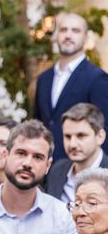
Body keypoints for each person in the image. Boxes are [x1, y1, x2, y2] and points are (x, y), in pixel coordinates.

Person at [34, 12, 108, 161]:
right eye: (63, 30)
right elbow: (37, 122)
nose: (68, 35)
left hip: (78, 170)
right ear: (56, 35)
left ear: (86, 37)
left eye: (75, 30)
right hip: (43, 167)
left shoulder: (97, 78)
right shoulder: (43, 79)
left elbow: (104, 129)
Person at [46, 103, 108, 202]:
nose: (72, 144)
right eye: (68, 136)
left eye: (81, 135)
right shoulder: (57, 171)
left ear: (100, 136)